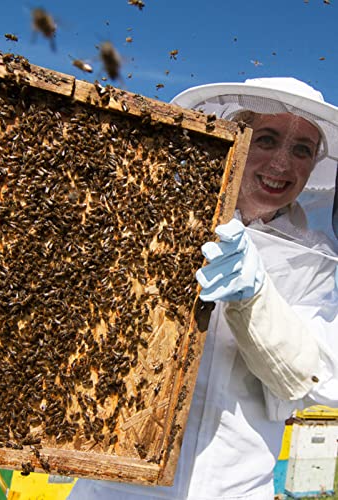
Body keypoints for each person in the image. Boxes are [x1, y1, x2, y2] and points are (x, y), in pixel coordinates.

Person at [68, 78, 338, 499]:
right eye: (267, 139)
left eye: (302, 149)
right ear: (235, 138)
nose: (282, 164)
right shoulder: (154, 220)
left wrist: (255, 300)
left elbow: (318, 380)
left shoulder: (314, 258)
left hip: (238, 490)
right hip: (113, 487)